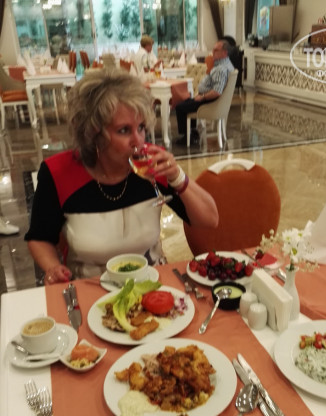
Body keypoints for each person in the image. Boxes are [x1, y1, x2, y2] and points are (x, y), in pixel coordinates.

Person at [24, 68, 219, 285]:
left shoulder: (152, 165)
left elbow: (210, 220)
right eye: (124, 130)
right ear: (93, 133)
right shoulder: (59, 172)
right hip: (90, 287)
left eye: (141, 127)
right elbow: (39, 238)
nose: (139, 141)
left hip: (151, 283)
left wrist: (177, 176)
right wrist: (53, 267)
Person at [175, 40, 234, 146]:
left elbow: (216, 92)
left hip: (210, 101)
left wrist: (202, 97)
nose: (212, 52)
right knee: (186, 102)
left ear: (224, 53)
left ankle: (188, 137)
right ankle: (192, 133)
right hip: (212, 99)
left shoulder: (221, 69)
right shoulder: (227, 64)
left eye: (216, 50)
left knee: (180, 107)